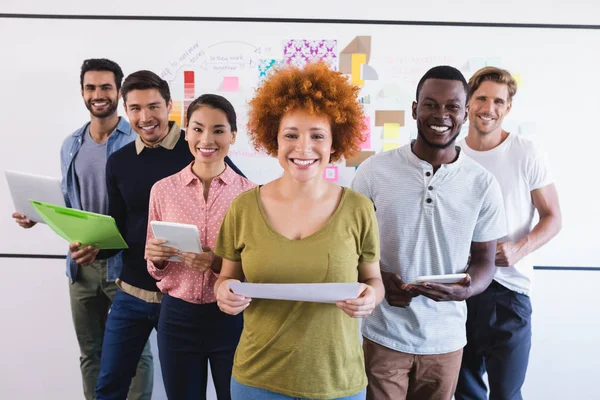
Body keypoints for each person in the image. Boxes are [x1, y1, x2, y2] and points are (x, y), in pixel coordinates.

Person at [214, 62, 384, 400]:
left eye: (317, 135)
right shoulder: (243, 208)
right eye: (291, 134)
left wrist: (371, 298)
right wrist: (223, 293)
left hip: (336, 382)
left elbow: (373, 280)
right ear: (273, 138)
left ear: (335, 141)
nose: (303, 148)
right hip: (257, 381)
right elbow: (226, 278)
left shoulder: (358, 209)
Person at [72, 70, 245, 400]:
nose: (145, 117)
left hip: (186, 297)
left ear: (169, 106)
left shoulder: (199, 148)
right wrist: (97, 247)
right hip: (134, 290)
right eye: (135, 108)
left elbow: (239, 203)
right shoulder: (120, 162)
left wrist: (217, 262)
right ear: (126, 110)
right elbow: (120, 227)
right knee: (110, 383)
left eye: (154, 106)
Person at [351, 65, 507, 400]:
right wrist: (377, 277)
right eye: (430, 104)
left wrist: (466, 291)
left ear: (465, 114)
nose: (441, 114)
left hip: (446, 340)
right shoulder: (373, 172)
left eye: (452, 107)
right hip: (384, 334)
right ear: (414, 109)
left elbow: (484, 262)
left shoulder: (483, 184)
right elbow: (350, 248)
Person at [12, 58, 153, 400]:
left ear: (119, 92)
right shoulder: (71, 144)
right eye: (90, 87)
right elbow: (70, 201)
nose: (98, 94)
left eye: (105, 87)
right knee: (91, 353)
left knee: (136, 355)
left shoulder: (136, 142)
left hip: (124, 265)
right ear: (82, 92)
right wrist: (38, 215)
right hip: (81, 266)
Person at [455, 66, 562, 400]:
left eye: (498, 101)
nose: (490, 108)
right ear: (468, 102)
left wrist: (519, 248)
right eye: (482, 98)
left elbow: (553, 217)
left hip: (511, 292)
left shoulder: (526, 153)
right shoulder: (452, 155)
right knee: (464, 390)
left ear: (508, 108)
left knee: (507, 393)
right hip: (463, 289)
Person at [145, 94, 256, 399]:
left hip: (231, 317)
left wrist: (215, 262)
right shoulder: (163, 190)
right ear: (186, 133)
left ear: (233, 135)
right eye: (197, 129)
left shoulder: (250, 196)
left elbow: (258, 266)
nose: (206, 139)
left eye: (218, 130)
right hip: (177, 317)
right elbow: (153, 267)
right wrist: (158, 259)